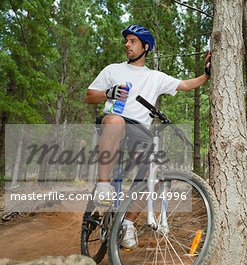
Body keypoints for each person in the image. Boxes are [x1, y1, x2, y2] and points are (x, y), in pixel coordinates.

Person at [85, 25, 211, 248]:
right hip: (113, 123)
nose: (127, 45)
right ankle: (103, 185)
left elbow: (183, 85)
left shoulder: (155, 77)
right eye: (126, 41)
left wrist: (206, 75)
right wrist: (108, 93)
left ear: (145, 47)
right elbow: (89, 97)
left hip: (139, 130)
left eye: (132, 41)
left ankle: (128, 224)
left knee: (155, 170)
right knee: (116, 120)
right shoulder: (112, 69)